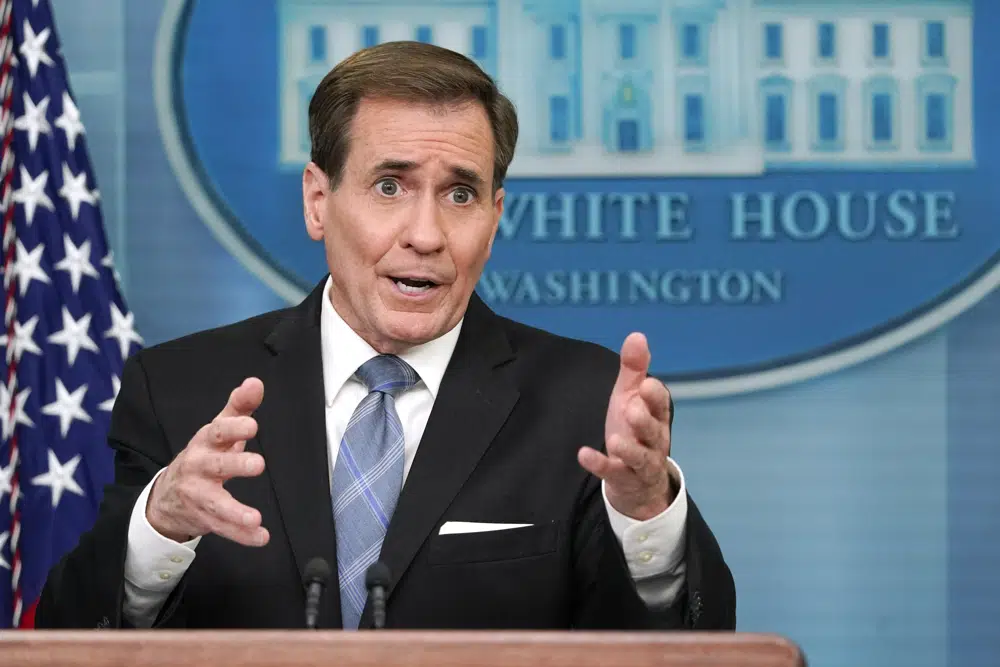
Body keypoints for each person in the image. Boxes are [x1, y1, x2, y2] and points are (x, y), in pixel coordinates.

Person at [35, 40, 735, 631]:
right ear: (318, 200)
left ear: (495, 216)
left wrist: (646, 515)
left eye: (460, 194)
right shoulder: (182, 389)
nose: (426, 235)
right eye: (390, 186)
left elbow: (689, 645)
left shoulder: (584, 403)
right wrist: (161, 525)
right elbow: (72, 629)